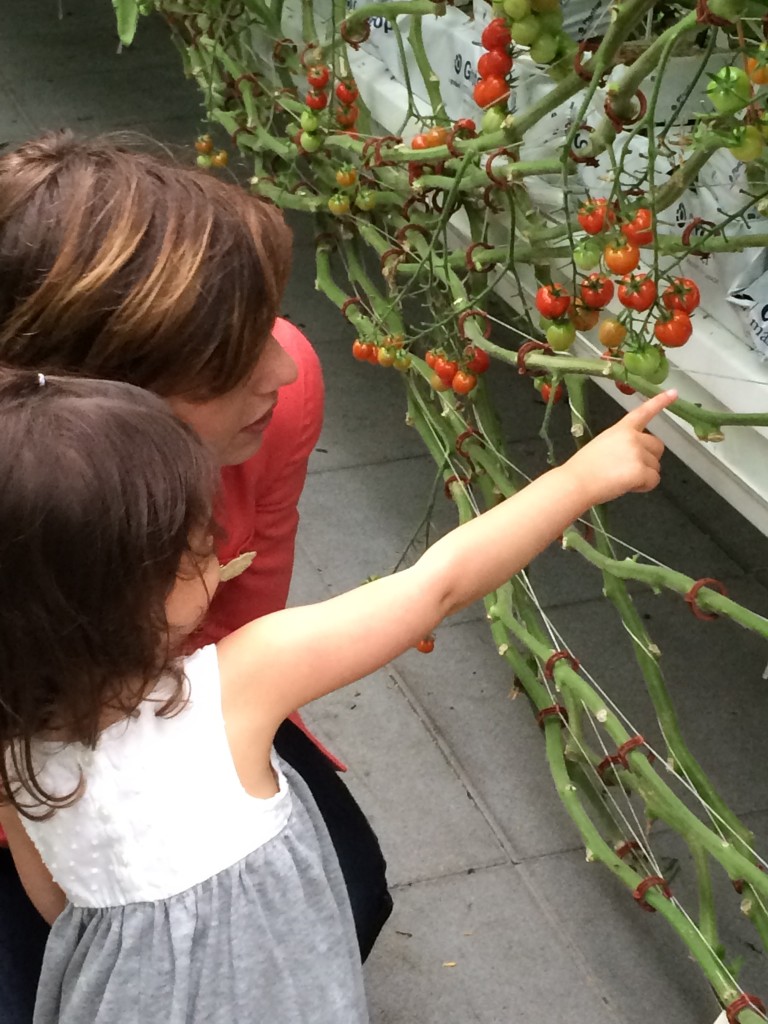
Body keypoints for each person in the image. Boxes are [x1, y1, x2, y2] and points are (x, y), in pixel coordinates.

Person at [0, 370, 675, 1023]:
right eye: (196, 541)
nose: (220, 539)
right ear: (126, 595)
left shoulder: (16, 752)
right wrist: (581, 478)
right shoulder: (238, 683)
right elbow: (434, 587)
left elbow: (61, 905)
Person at [0, 131, 391, 1021]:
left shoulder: (281, 398)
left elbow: (244, 619)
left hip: (167, 692)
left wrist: (188, 766)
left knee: (353, 889)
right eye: (230, 360)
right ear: (90, 407)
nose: (282, 367)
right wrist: (62, 812)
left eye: (266, 326)